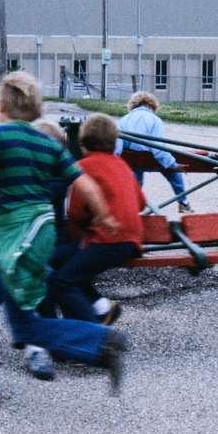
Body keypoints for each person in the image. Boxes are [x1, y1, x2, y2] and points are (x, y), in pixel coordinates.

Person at [0, 71, 127, 400]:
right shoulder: (46, 142)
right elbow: (82, 181)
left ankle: (100, 341)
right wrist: (104, 215)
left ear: (1, 105)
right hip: (38, 234)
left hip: (13, 239)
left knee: (25, 326)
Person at [42, 113, 144, 323]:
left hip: (106, 241)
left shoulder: (84, 166)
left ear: (82, 142)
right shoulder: (122, 164)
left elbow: (75, 212)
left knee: (63, 281)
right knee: (68, 266)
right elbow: (141, 202)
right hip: (131, 241)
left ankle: (93, 332)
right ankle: (99, 308)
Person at [116, 91, 193, 214]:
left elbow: (117, 147)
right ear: (152, 105)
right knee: (173, 173)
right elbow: (158, 148)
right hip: (151, 158)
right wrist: (173, 164)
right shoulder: (155, 120)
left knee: (136, 177)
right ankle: (183, 202)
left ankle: (135, 206)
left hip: (132, 160)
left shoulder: (123, 120)